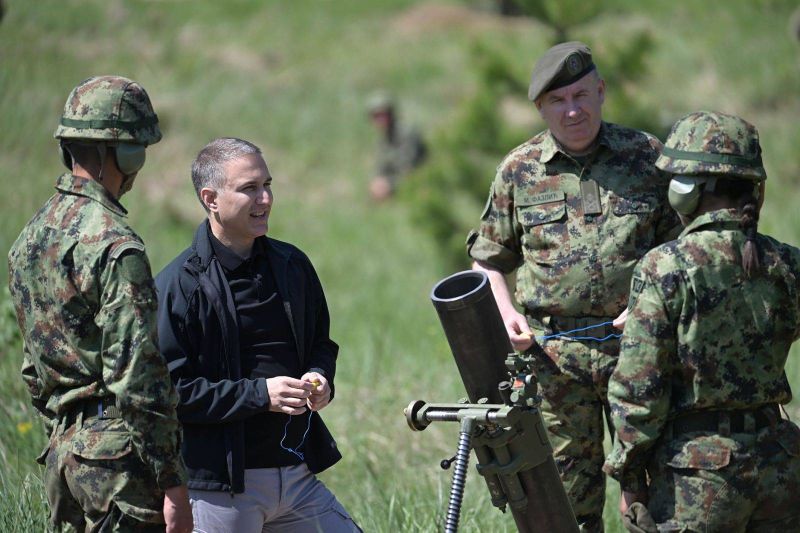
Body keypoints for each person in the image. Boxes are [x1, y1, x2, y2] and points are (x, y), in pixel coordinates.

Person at [466, 41, 680, 531]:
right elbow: (488, 260)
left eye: (582, 95)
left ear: (601, 92)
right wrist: (507, 316)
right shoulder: (519, 170)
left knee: (653, 497)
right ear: (541, 108)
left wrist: (651, 304)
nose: (573, 110)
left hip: (641, 351)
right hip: (554, 362)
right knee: (566, 503)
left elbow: (681, 252)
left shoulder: (647, 157)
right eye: (558, 101)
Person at [7, 75, 192, 532]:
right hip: (119, 467)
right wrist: (172, 481)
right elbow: (137, 373)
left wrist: (71, 429)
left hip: (62, 458)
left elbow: (33, 370)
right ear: (125, 153)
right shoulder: (115, 244)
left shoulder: (29, 239)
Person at [604, 111, 800, 531]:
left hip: (698, 479)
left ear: (686, 191)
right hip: (782, 469)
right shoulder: (787, 262)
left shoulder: (665, 266)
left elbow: (638, 389)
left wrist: (630, 477)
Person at [155, 137, 360, 532]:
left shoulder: (293, 264)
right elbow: (170, 393)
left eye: (268, 185)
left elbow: (322, 343)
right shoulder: (177, 286)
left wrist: (321, 378)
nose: (265, 199)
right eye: (249, 188)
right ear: (210, 198)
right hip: (219, 488)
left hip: (297, 476)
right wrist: (260, 395)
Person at [367, 91, 427, 201]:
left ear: (391, 114)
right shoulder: (383, 140)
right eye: (376, 116)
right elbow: (381, 169)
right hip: (396, 183)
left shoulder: (407, 134)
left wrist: (389, 185)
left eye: (383, 115)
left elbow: (410, 169)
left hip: (418, 182)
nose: (380, 120)